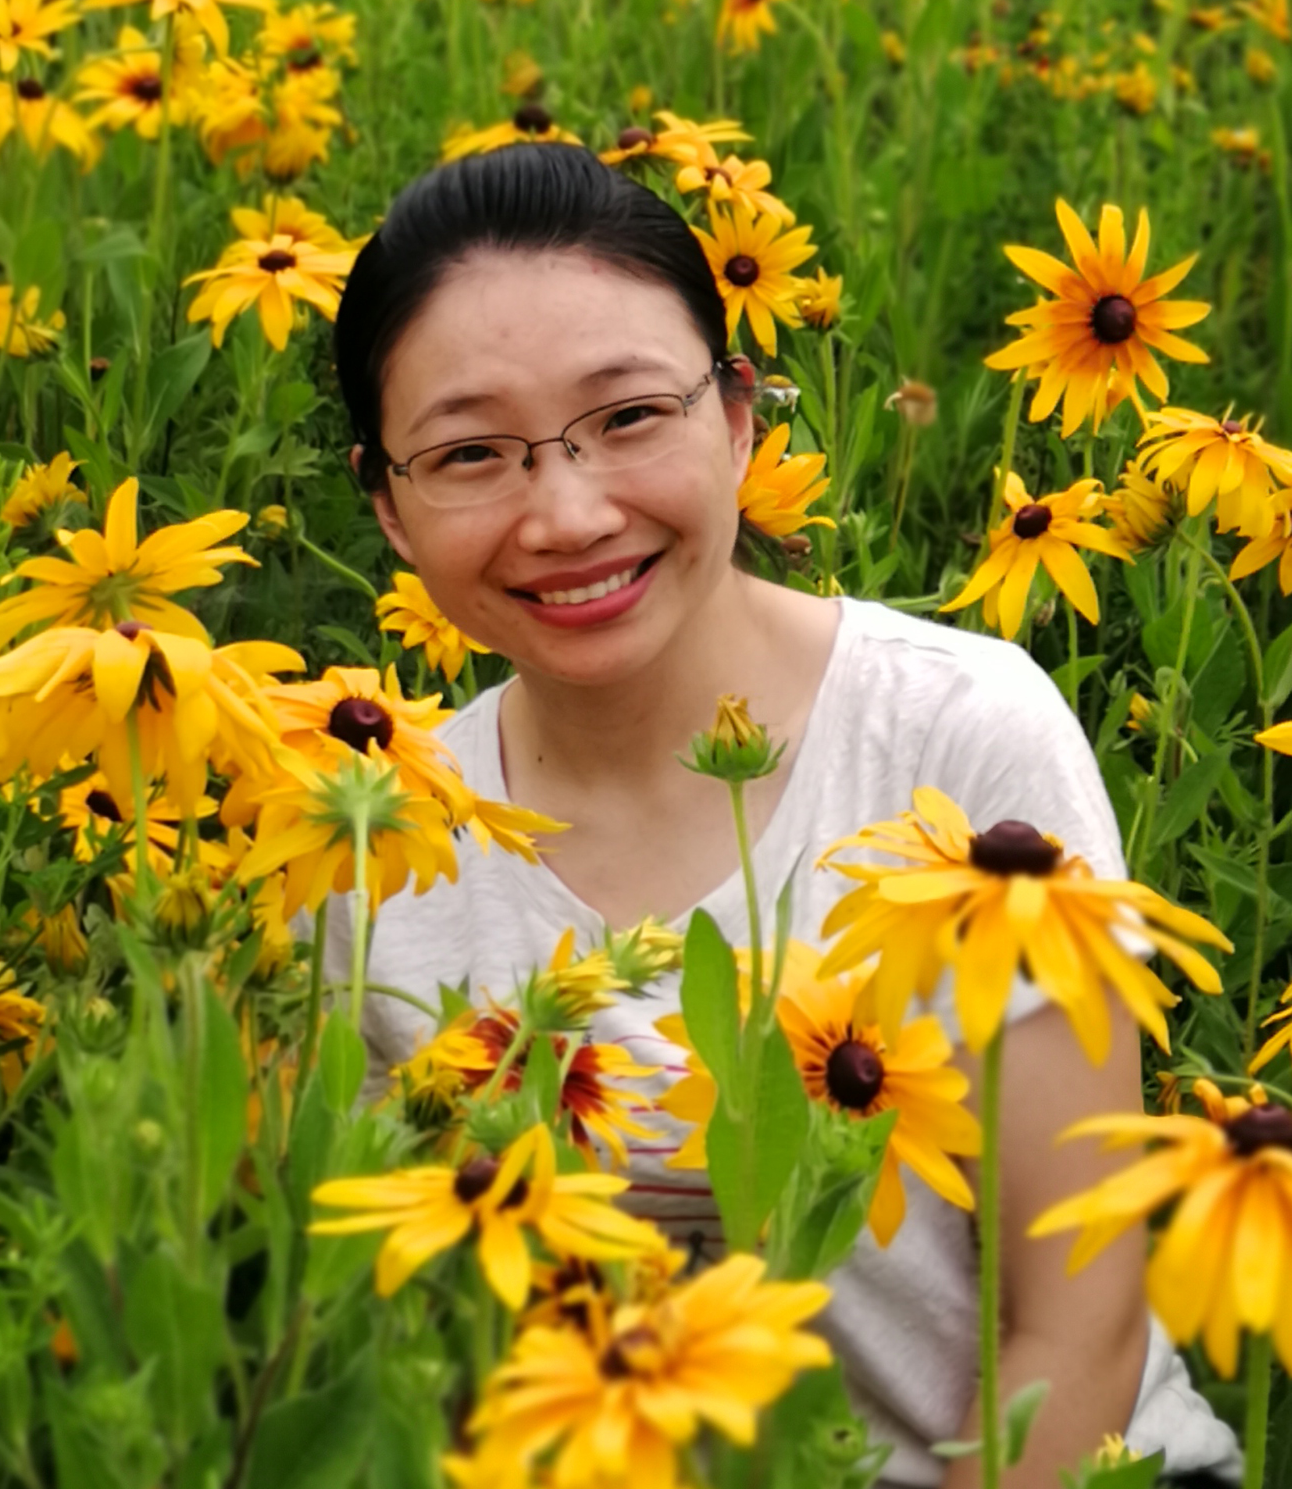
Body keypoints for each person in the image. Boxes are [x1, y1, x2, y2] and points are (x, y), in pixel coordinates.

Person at [329, 144, 1239, 1487]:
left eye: (630, 417)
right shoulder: (378, 846)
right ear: (389, 508)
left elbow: (1081, 1309)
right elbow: (417, 1357)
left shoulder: (958, 736)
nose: (568, 514)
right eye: (471, 453)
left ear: (741, 417)